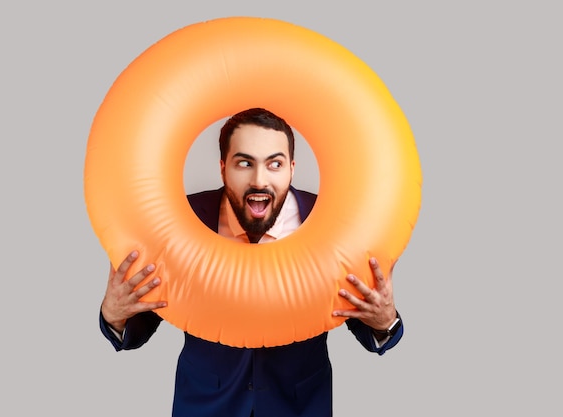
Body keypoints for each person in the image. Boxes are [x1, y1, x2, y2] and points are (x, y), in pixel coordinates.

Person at [99, 108, 403, 417]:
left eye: (275, 164)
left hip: (298, 406)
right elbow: (147, 313)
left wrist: (384, 321)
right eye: (244, 163)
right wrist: (114, 316)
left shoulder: (333, 222)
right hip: (207, 406)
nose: (260, 180)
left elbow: (360, 314)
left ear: (292, 169)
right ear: (223, 169)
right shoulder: (181, 220)